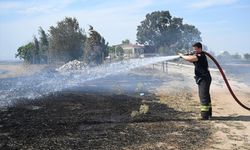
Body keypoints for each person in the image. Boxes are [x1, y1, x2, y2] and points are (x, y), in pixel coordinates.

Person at [179, 42, 212, 120]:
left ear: (199, 48)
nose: (194, 50)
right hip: (203, 79)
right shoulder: (198, 55)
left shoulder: (200, 55)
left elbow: (192, 58)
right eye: (193, 49)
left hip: (204, 79)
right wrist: (186, 56)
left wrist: (182, 56)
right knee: (206, 96)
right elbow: (191, 60)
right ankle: (208, 114)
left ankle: (205, 116)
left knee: (203, 97)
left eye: (195, 49)